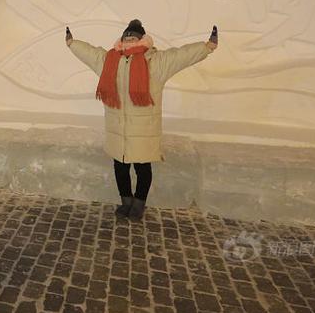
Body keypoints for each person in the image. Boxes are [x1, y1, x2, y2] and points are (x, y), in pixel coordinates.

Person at [66, 19, 216, 221]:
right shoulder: (110, 60)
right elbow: (90, 53)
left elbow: (181, 55)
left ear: (142, 38)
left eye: (133, 36)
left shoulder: (156, 61)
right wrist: (72, 43)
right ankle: (126, 201)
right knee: (120, 167)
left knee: (142, 168)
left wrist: (206, 47)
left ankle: (139, 203)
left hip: (144, 128)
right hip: (118, 127)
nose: (129, 39)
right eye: (126, 36)